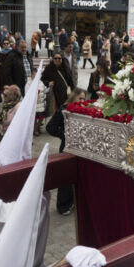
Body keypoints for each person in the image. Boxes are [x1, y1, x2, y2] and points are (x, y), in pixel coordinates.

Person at [46, 88, 85, 216]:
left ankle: (72, 201)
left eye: (84, 98)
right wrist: (65, 135)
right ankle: (62, 206)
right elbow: (50, 127)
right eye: (80, 98)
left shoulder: (83, 109)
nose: (82, 101)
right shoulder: (64, 109)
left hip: (79, 148)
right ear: (73, 98)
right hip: (67, 148)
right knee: (65, 178)